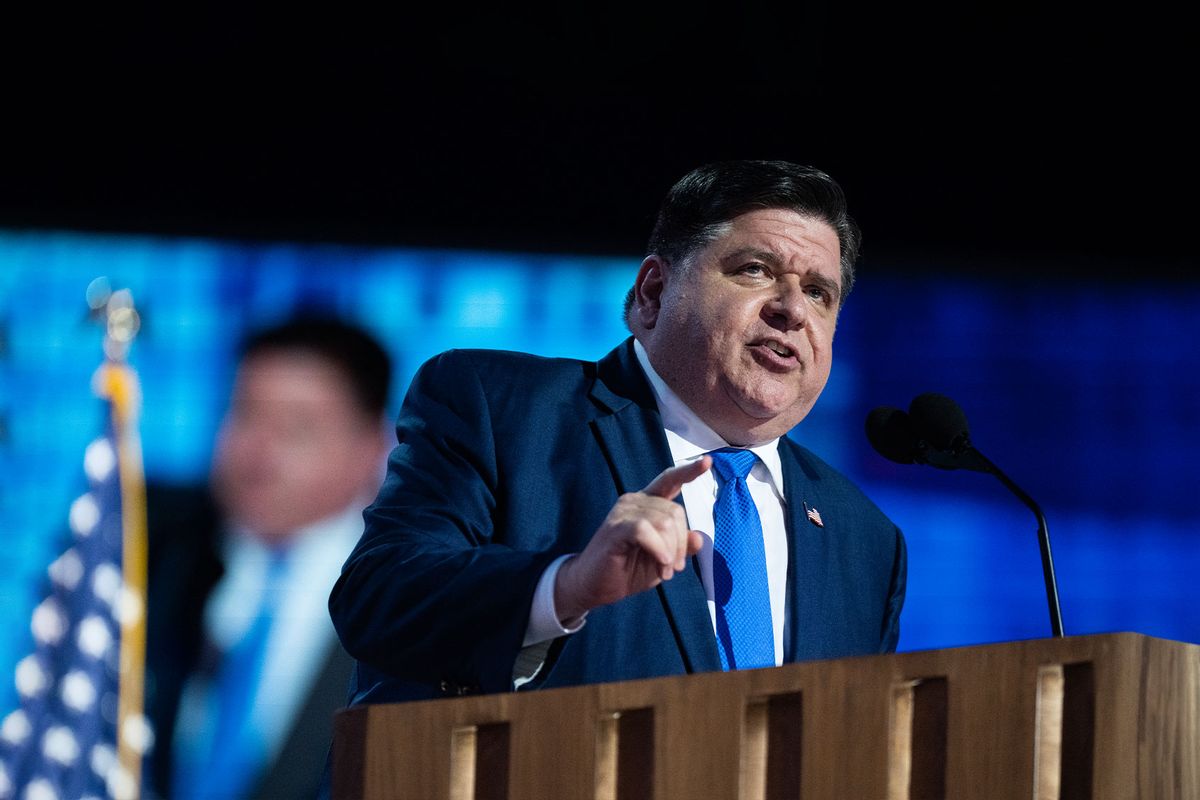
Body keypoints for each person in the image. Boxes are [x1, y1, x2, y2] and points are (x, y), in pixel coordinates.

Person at [329, 161, 906, 709]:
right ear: (654, 292)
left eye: (819, 293)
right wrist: (566, 587)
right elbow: (379, 599)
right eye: (755, 270)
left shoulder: (866, 540)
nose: (791, 310)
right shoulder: (498, 407)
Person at [145, 317, 392, 799]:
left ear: (374, 448)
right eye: (245, 415)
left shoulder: (415, 595)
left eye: (297, 429)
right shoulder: (151, 549)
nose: (260, 454)